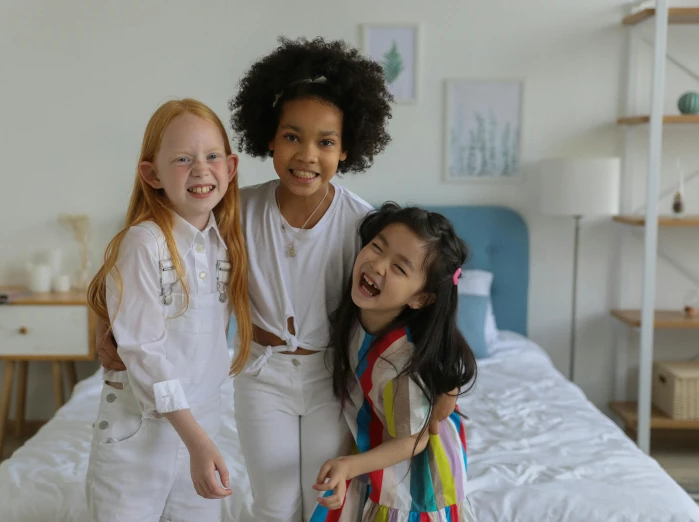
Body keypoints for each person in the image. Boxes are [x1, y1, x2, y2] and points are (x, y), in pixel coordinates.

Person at [96, 37, 459, 522]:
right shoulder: (234, 209)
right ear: (268, 137)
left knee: (320, 499)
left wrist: (447, 374)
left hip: (331, 376)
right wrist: (109, 325)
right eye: (292, 137)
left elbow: (415, 294)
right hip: (262, 376)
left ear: (346, 148)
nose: (306, 154)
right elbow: (158, 264)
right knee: (273, 502)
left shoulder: (364, 224)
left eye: (325, 142)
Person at [84, 98, 252, 522]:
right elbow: (142, 349)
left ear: (230, 169)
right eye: (182, 158)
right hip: (140, 433)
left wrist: (200, 441)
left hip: (203, 424)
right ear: (152, 174)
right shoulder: (144, 243)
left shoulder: (226, 244)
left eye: (213, 156)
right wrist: (196, 441)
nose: (200, 169)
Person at [308, 202, 477, 522]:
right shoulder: (358, 315)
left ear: (420, 299)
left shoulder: (397, 363)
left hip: (415, 467)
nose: (378, 265)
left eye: (399, 268)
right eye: (377, 247)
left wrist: (348, 466)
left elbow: (415, 438)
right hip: (390, 430)